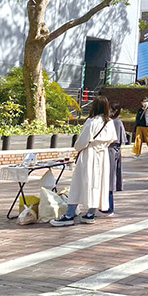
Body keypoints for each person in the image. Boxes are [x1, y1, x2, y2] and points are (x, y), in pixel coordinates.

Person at [51, 96, 117, 226]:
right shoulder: (109, 123)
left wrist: (80, 147)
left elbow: (81, 142)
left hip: (89, 155)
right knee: (98, 184)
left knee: (78, 184)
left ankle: (69, 215)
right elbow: (113, 139)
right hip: (103, 156)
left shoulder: (91, 122)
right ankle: (90, 213)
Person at [101, 102, 129, 216]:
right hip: (116, 150)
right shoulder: (117, 122)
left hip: (110, 150)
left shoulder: (112, 122)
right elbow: (123, 139)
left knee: (109, 179)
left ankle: (108, 206)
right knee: (112, 177)